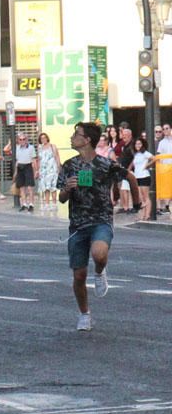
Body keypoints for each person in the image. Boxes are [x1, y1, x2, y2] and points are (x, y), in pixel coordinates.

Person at [58, 122, 141, 332]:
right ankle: (84, 314)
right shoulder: (69, 166)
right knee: (78, 275)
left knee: (99, 253)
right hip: (77, 225)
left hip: (101, 220)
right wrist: (67, 189)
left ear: (87, 140)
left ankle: (101, 271)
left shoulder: (105, 164)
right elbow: (61, 198)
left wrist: (138, 204)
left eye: (77, 134)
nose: (72, 137)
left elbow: (130, 177)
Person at [129, 137, 153, 221]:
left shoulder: (145, 153)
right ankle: (142, 215)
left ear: (142, 144)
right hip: (137, 176)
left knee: (145, 196)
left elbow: (154, 158)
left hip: (144, 176)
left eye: (139, 144)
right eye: (136, 144)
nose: (137, 145)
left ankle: (147, 215)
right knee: (140, 198)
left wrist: (147, 165)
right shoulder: (136, 154)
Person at [36, 132, 62, 211]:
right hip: (43, 170)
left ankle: (54, 204)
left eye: (44, 137)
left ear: (47, 138)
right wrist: (38, 170)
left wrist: (58, 167)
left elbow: (57, 157)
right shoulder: (39, 148)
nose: (43, 139)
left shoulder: (52, 146)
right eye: (41, 138)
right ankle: (47, 204)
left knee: (53, 187)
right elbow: (39, 160)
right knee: (45, 187)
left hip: (52, 169)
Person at [14, 133, 37, 212]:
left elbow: (34, 159)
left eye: (24, 139)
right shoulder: (17, 148)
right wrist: (11, 142)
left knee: (30, 187)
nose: (22, 141)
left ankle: (31, 204)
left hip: (28, 166)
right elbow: (6, 150)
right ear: (18, 140)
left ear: (26, 140)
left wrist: (36, 170)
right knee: (22, 187)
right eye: (20, 139)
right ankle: (24, 204)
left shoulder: (30, 147)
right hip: (20, 167)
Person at [156, 123, 172, 213]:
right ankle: (167, 205)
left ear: (170, 129)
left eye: (167, 128)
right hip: (166, 168)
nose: (165, 130)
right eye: (164, 129)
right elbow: (160, 156)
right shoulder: (162, 143)